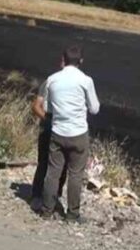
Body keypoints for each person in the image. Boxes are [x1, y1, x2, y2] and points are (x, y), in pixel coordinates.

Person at [38, 46, 101, 223]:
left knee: (53, 172)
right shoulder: (86, 81)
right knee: (75, 174)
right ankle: (72, 214)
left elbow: (47, 108)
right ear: (81, 61)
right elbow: (94, 108)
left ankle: (47, 210)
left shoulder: (52, 79)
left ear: (63, 59)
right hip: (78, 133)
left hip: (57, 131)